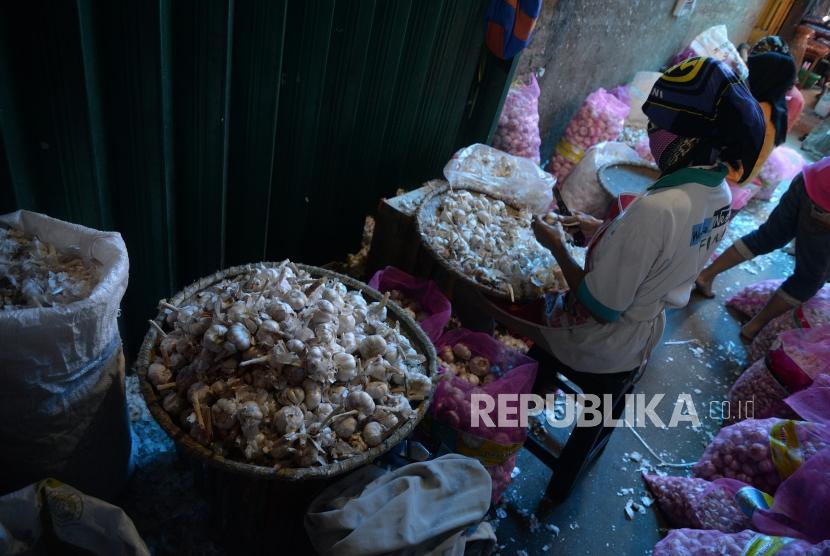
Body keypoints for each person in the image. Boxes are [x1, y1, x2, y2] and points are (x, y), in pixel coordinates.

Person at [524, 57, 765, 494]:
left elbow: (599, 307)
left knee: (514, 309)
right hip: (646, 333)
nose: (652, 135)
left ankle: (505, 421)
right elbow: (669, 250)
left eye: (660, 126)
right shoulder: (718, 192)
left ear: (691, 139)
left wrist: (555, 245)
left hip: (602, 342)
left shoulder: (658, 209)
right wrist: (603, 229)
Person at [695, 157, 830, 342]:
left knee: (767, 237)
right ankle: (754, 327)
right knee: (810, 278)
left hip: (812, 176)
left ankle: (705, 275)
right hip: (825, 205)